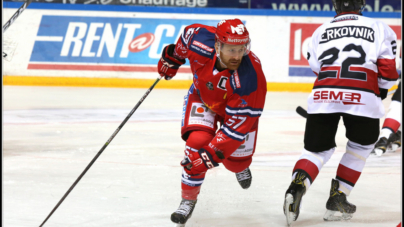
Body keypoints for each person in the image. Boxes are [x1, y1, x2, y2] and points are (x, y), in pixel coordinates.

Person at [283, 0, 400, 225]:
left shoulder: (320, 30)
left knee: (316, 151)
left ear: (335, 5)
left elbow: (317, 67)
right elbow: (388, 68)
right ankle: (339, 197)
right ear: (362, 4)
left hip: (323, 96)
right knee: (361, 146)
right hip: (363, 97)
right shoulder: (380, 27)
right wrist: (382, 90)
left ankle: (297, 184)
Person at [157, 19, 267, 226]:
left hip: (236, 115)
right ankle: (187, 201)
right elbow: (184, 39)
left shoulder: (250, 79)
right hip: (202, 98)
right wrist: (172, 58)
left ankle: (239, 165)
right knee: (197, 142)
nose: (237, 56)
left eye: (242, 49)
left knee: (236, 163)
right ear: (217, 46)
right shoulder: (198, 38)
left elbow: (235, 130)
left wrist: (209, 157)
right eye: (231, 49)